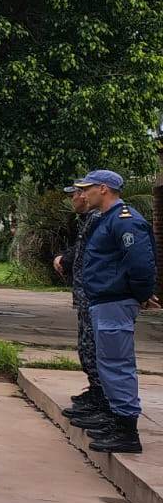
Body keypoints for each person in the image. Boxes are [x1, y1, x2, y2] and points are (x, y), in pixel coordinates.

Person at [70, 170, 156, 455]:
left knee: (117, 364)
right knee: (107, 363)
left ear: (104, 189)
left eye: (88, 188)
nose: (83, 194)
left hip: (115, 301)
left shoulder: (124, 220)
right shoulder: (106, 220)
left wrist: (141, 295)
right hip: (104, 301)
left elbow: (141, 263)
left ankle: (126, 430)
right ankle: (115, 419)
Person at [55, 185, 109, 426]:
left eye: (78, 193)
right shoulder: (90, 219)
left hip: (95, 295)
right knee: (87, 347)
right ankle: (95, 394)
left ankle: (102, 401)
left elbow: (91, 252)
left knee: (97, 349)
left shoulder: (99, 218)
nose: (76, 198)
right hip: (86, 294)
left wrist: (65, 259)